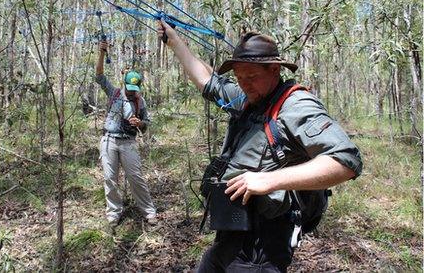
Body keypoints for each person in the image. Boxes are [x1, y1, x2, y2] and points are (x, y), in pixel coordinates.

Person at [157, 20, 362, 272]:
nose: (244, 84)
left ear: (275, 70)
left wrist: (269, 180)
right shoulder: (249, 98)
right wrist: (175, 42)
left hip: (262, 245)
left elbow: (346, 161)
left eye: (252, 76)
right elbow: (208, 82)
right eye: (240, 77)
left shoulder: (296, 106)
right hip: (232, 233)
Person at [95, 41, 157, 228]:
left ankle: (148, 212)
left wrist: (140, 123)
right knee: (109, 177)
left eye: (135, 90)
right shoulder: (114, 93)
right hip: (109, 140)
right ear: (125, 85)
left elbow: (147, 124)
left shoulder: (140, 101)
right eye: (130, 89)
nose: (132, 92)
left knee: (135, 177)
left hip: (129, 142)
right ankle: (114, 213)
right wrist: (102, 52)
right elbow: (99, 75)